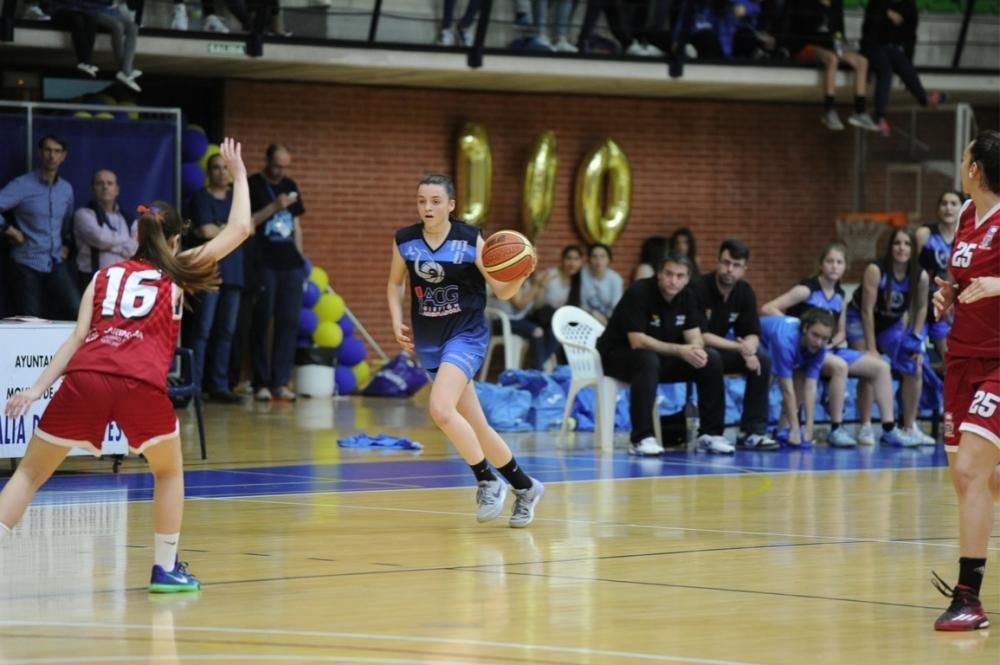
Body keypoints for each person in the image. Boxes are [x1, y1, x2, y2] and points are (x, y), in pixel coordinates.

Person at [0, 137, 252, 592]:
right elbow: (239, 230)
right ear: (175, 239)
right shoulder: (176, 270)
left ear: (137, 236)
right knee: (169, 472)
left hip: (85, 379)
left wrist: (35, 390)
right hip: (139, 384)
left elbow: (76, 338)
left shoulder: (104, 275)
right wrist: (240, 176)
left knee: (30, 473)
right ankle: (164, 568)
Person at [387, 174, 545, 527]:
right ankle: (525, 486)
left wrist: (521, 272)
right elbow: (394, 283)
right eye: (421, 201)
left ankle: (486, 479)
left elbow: (503, 293)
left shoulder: (471, 239)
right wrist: (397, 321)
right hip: (430, 341)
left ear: (451, 205)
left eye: (435, 201)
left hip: (467, 335)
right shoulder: (404, 241)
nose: (427, 207)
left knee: (441, 410)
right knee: (477, 425)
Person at [930, 129, 1000, 632]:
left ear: (975, 169)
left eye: (964, 158)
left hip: (999, 361)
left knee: (973, 468)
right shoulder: (966, 219)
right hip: (961, 359)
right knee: (970, 479)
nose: (960, 163)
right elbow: (964, 279)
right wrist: (948, 296)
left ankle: (968, 596)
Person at [762, 242, 907, 448]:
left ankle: (889, 428)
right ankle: (836, 427)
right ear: (821, 264)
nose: (834, 266)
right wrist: (798, 325)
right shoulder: (806, 290)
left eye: (839, 262)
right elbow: (769, 308)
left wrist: (831, 343)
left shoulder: (840, 297)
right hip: (805, 348)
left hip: (829, 348)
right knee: (840, 366)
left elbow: (841, 332)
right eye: (830, 261)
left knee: (881, 367)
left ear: (845, 267)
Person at [598, 251, 732, 456]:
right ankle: (641, 438)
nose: (673, 281)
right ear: (659, 274)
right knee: (646, 359)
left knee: (711, 359)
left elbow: (694, 335)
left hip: (659, 358)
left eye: (680, 276)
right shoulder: (639, 292)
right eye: (669, 274)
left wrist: (696, 350)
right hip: (618, 356)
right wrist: (680, 350)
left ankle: (710, 435)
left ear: (687, 279)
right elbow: (637, 341)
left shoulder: (687, 296)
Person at [690, 239, 778, 450]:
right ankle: (711, 433)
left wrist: (749, 349)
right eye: (726, 262)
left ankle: (752, 432)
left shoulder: (745, 292)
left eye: (736, 265)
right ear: (717, 261)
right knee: (713, 357)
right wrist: (740, 348)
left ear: (744, 269)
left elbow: (752, 332)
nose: (730, 269)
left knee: (763, 360)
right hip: (692, 350)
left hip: (723, 349)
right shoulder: (698, 287)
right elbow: (701, 336)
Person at [846, 227, 929, 446]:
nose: (902, 248)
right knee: (869, 365)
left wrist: (916, 340)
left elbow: (921, 308)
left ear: (914, 249)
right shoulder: (876, 270)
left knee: (915, 366)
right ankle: (864, 426)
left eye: (907, 244)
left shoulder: (920, 275)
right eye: (897, 243)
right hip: (860, 318)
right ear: (890, 247)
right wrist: (872, 347)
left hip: (891, 324)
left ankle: (909, 426)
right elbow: (866, 310)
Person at [248, 143, 306, 402]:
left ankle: (281, 382)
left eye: (284, 167)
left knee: (289, 323)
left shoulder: (291, 184)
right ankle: (260, 381)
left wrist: (301, 258)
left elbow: (296, 224)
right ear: (267, 160)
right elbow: (246, 223)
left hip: (290, 264)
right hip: (264, 263)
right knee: (262, 321)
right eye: (276, 166)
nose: (280, 171)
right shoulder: (253, 185)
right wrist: (274, 206)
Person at [0, 134, 80, 320]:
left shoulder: (66, 189)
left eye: (57, 151)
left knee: (76, 309)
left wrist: (67, 244)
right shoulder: (22, 185)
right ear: (40, 153)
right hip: (27, 261)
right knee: (30, 319)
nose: (52, 156)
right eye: (48, 150)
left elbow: (67, 223)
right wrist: (8, 229)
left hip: (55, 260)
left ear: (63, 156)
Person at [190, 153, 244, 403]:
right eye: (216, 168)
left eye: (225, 168)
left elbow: (249, 226)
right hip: (209, 273)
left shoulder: (236, 197)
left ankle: (219, 385)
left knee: (226, 332)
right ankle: (196, 385)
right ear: (208, 172)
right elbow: (204, 230)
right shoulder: (201, 197)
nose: (221, 172)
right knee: (202, 330)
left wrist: (222, 229)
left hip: (234, 273)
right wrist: (231, 230)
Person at [785, 0, 879, 132]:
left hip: (830, 47)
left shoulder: (836, 3)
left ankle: (859, 111)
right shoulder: (805, 3)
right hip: (806, 45)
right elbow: (803, 31)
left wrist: (841, 48)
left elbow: (839, 31)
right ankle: (829, 110)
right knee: (832, 59)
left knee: (862, 61)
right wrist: (821, 8)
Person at [860, 0, 943, 137]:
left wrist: (908, 62)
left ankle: (924, 99)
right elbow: (868, 29)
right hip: (872, 47)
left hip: (892, 49)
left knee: (905, 66)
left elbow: (910, 38)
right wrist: (887, 13)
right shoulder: (877, 3)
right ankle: (879, 116)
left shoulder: (909, 7)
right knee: (885, 71)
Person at [759, 309, 836, 446]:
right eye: (815, 335)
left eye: (824, 339)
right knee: (767, 378)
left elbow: (811, 386)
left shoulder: (820, 347)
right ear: (805, 328)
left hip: (780, 345)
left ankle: (783, 428)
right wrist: (796, 428)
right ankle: (755, 430)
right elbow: (786, 389)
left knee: (801, 376)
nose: (818, 342)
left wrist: (809, 427)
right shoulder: (785, 341)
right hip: (756, 341)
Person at [917, 190, 963, 359]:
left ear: (962, 208)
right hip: (921, 303)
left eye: (953, 204)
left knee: (950, 357)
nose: (948, 208)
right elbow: (911, 270)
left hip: (946, 307)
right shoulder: (925, 234)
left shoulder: (965, 238)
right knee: (915, 357)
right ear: (937, 209)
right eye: (944, 203)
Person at [73, 169, 137, 291]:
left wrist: (109, 246)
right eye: (100, 183)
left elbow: (134, 249)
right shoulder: (83, 214)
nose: (105, 187)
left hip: (123, 281)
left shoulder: (129, 219)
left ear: (117, 189)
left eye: (109, 183)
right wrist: (125, 243)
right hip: (92, 280)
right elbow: (100, 239)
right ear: (92, 189)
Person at [580, 243, 623, 325]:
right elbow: (581, 303)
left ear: (609, 260)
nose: (598, 261)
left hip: (609, 320)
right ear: (589, 259)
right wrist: (594, 314)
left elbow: (616, 307)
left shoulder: (615, 279)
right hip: (586, 317)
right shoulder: (582, 274)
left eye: (603, 256)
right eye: (594, 256)